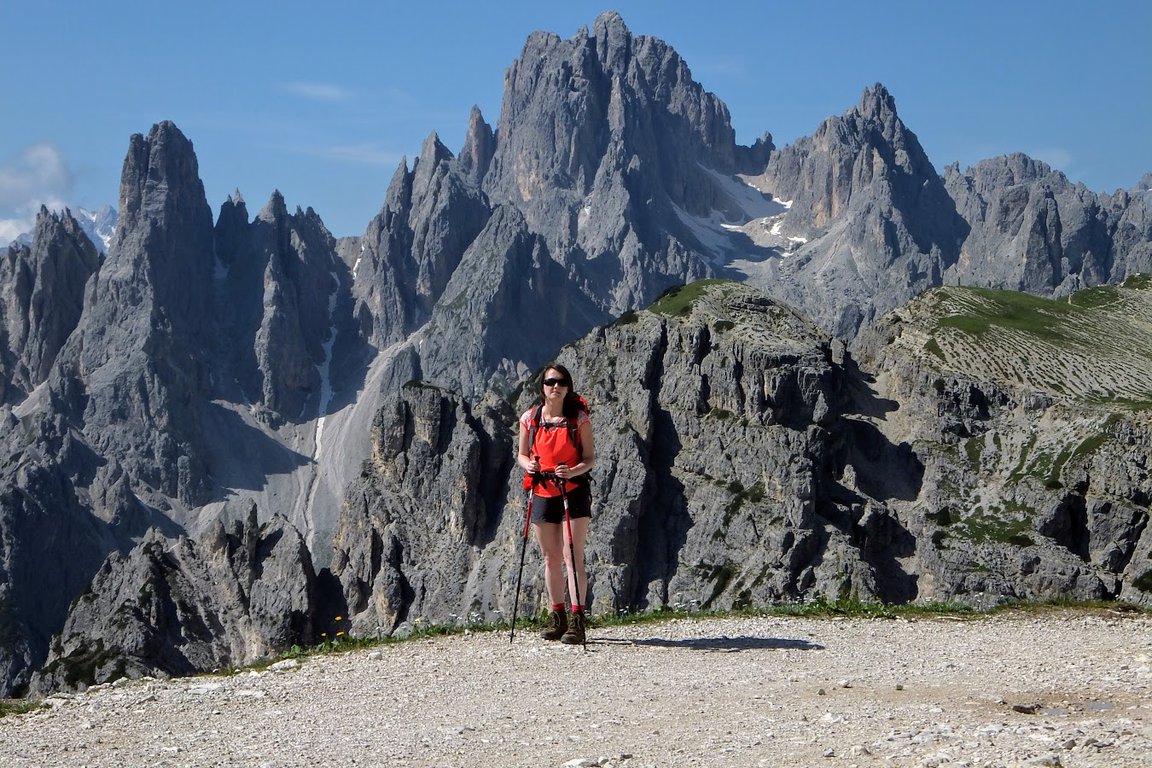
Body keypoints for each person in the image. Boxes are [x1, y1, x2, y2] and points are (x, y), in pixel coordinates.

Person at [516, 364, 596, 644]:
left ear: (568, 387)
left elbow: (590, 458)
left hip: (572, 491)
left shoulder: (579, 419)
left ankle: (577, 620)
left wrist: (572, 472)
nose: (555, 386)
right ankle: (558, 617)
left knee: (571, 557)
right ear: (542, 387)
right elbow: (522, 455)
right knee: (550, 558)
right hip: (542, 490)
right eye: (550, 382)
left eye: (561, 382)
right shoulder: (530, 418)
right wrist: (532, 466)